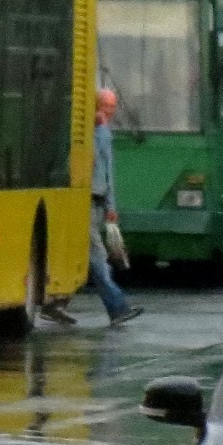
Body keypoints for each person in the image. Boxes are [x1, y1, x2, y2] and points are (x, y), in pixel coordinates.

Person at [85, 88, 142, 327]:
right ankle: (117, 307)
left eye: (112, 106)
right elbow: (95, 165)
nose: (109, 110)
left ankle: (57, 304)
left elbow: (108, 171)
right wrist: (98, 129)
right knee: (97, 255)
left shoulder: (104, 131)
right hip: (87, 201)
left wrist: (111, 205)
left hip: (99, 201)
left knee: (90, 253)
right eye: (105, 106)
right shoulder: (94, 131)